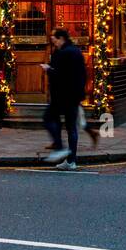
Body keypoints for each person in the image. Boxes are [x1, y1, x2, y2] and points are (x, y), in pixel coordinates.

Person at [41, 29, 87, 171]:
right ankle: (71, 161)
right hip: (74, 96)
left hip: (62, 96)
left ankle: (60, 148)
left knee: (48, 118)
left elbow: (61, 75)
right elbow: (82, 74)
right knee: (71, 127)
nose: (52, 41)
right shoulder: (76, 51)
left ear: (61, 38)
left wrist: (48, 69)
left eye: (53, 39)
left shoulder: (64, 53)